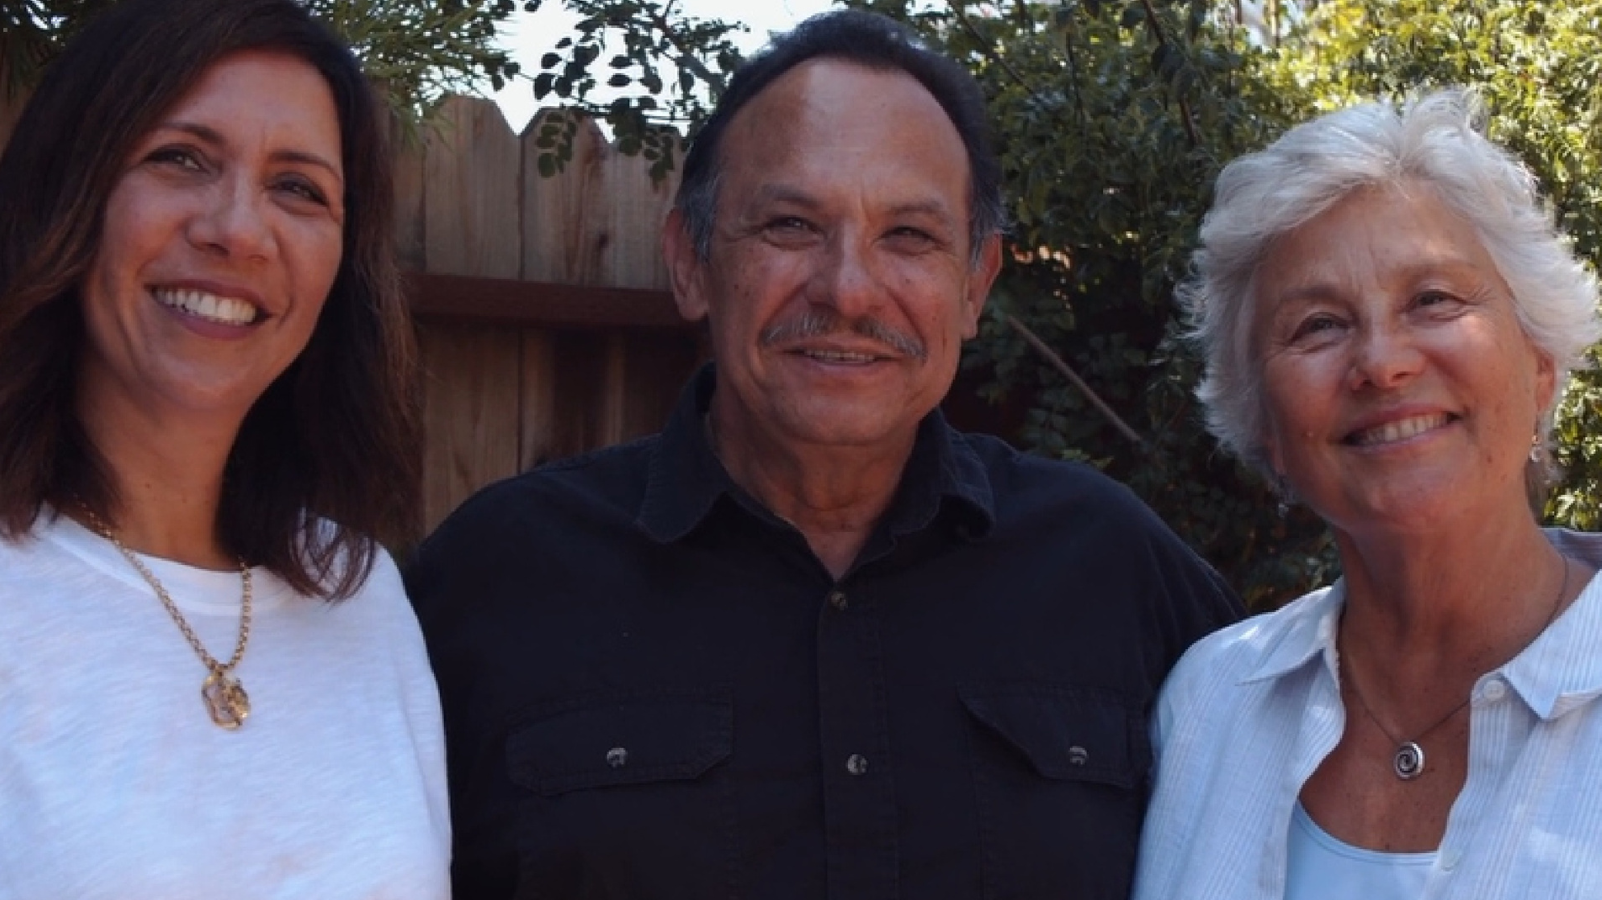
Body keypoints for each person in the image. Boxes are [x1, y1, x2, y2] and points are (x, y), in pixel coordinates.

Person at [405, 10, 1241, 899]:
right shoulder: (494, 582)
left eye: (910, 237)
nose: (847, 289)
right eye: (792, 225)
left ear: (974, 285)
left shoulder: (1121, 576)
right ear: (689, 261)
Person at [0, 0, 450, 896]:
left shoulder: (361, 594)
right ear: (70, 197)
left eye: (298, 187)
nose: (237, 228)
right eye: (180, 158)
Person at [1133, 90, 1602, 898]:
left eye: (1433, 299)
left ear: (1540, 364)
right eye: (1317, 324)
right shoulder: (1207, 704)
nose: (1381, 363)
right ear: (1267, 427)